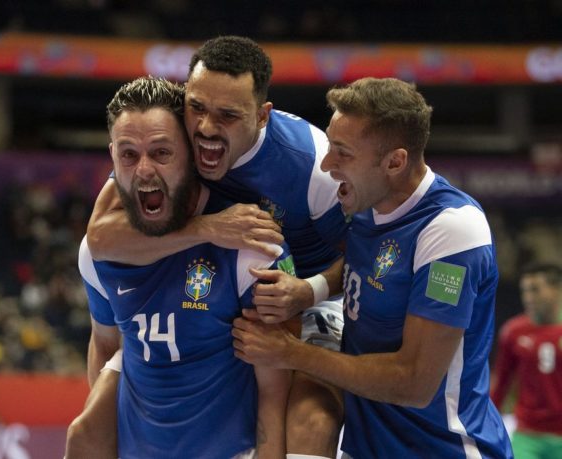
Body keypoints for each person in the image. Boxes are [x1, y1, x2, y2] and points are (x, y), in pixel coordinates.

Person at [82, 35, 348, 459]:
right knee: (87, 429)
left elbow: (364, 255)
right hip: (220, 291)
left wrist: (310, 289)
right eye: (198, 107)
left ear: (262, 116)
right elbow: (99, 238)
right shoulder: (170, 140)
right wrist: (209, 228)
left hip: (313, 296)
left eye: (227, 115)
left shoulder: (311, 163)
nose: (206, 127)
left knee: (310, 422)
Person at [232, 77, 514, 458]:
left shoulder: (451, 231)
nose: (328, 164)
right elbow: (364, 264)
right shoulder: (367, 206)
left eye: (343, 153)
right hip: (370, 448)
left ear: (395, 162)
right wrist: (310, 289)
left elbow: (414, 383)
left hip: (444, 449)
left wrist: (292, 353)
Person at [67, 76, 293, 458]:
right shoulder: (98, 252)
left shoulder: (249, 244)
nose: (143, 170)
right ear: (111, 157)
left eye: (161, 153)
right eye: (128, 154)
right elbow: (105, 345)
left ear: (190, 153)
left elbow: (274, 392)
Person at [491, 262, 562, 458]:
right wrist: (487, 423)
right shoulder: (513, 332)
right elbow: (501, 383)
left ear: (556, 289)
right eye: (525, 291)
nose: (528, 298)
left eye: (535, 290)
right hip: (528, 435)